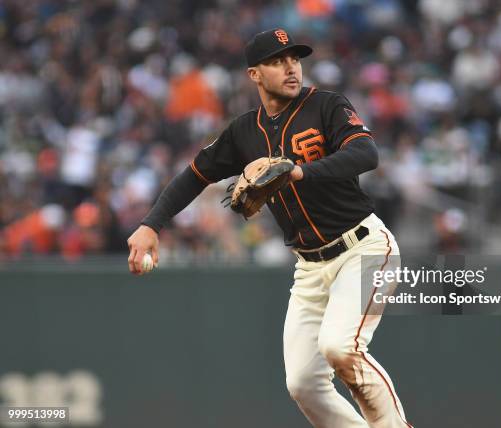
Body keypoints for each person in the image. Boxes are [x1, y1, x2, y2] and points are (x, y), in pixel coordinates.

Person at [127, 28, 413, 428]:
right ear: (254, 74)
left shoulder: (326, 105)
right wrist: (150, 225)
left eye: (294, 58)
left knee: (340, 347)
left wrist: (300, 171)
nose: (290, 67)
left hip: (362, 248)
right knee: (303, 384)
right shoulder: (244, 132)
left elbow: (366, 153)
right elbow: (195, 175)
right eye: (277, 61)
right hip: (310, 267)